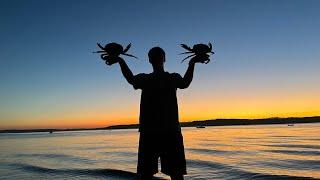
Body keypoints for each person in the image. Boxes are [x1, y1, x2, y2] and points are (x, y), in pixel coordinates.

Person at [105, 47, 208, 180]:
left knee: (146, 174)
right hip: (171, 132)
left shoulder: (145, 79)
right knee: (176, 174)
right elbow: (185, 83)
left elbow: (131, 79)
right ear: (164, 59)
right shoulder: (172, 78)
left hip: (149, 132)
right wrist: (192, 63)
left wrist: (120, 61)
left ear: (149, 60)